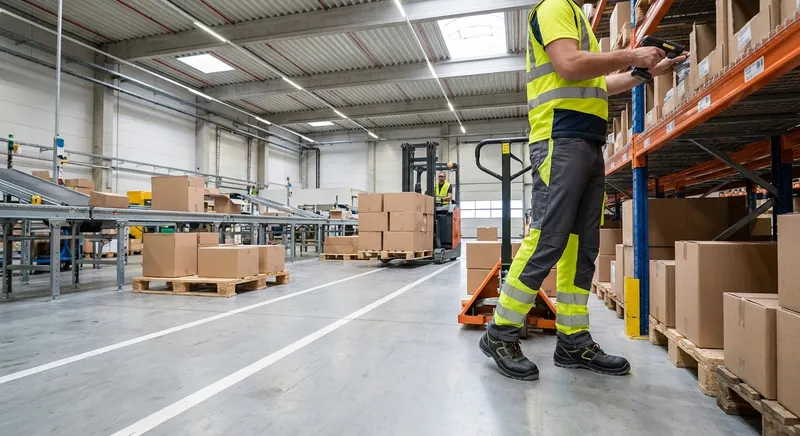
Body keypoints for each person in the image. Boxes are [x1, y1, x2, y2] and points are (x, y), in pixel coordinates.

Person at [479, 0, 686, 380]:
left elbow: (599, 84)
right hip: (559, 137)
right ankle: (500, 332)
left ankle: (573, 340)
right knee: (547, 239)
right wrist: (630, 53)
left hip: (587, 142)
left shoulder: (577, 19)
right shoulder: (555, 7)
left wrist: (645, 72)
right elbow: (569, 65)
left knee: (581, 246)